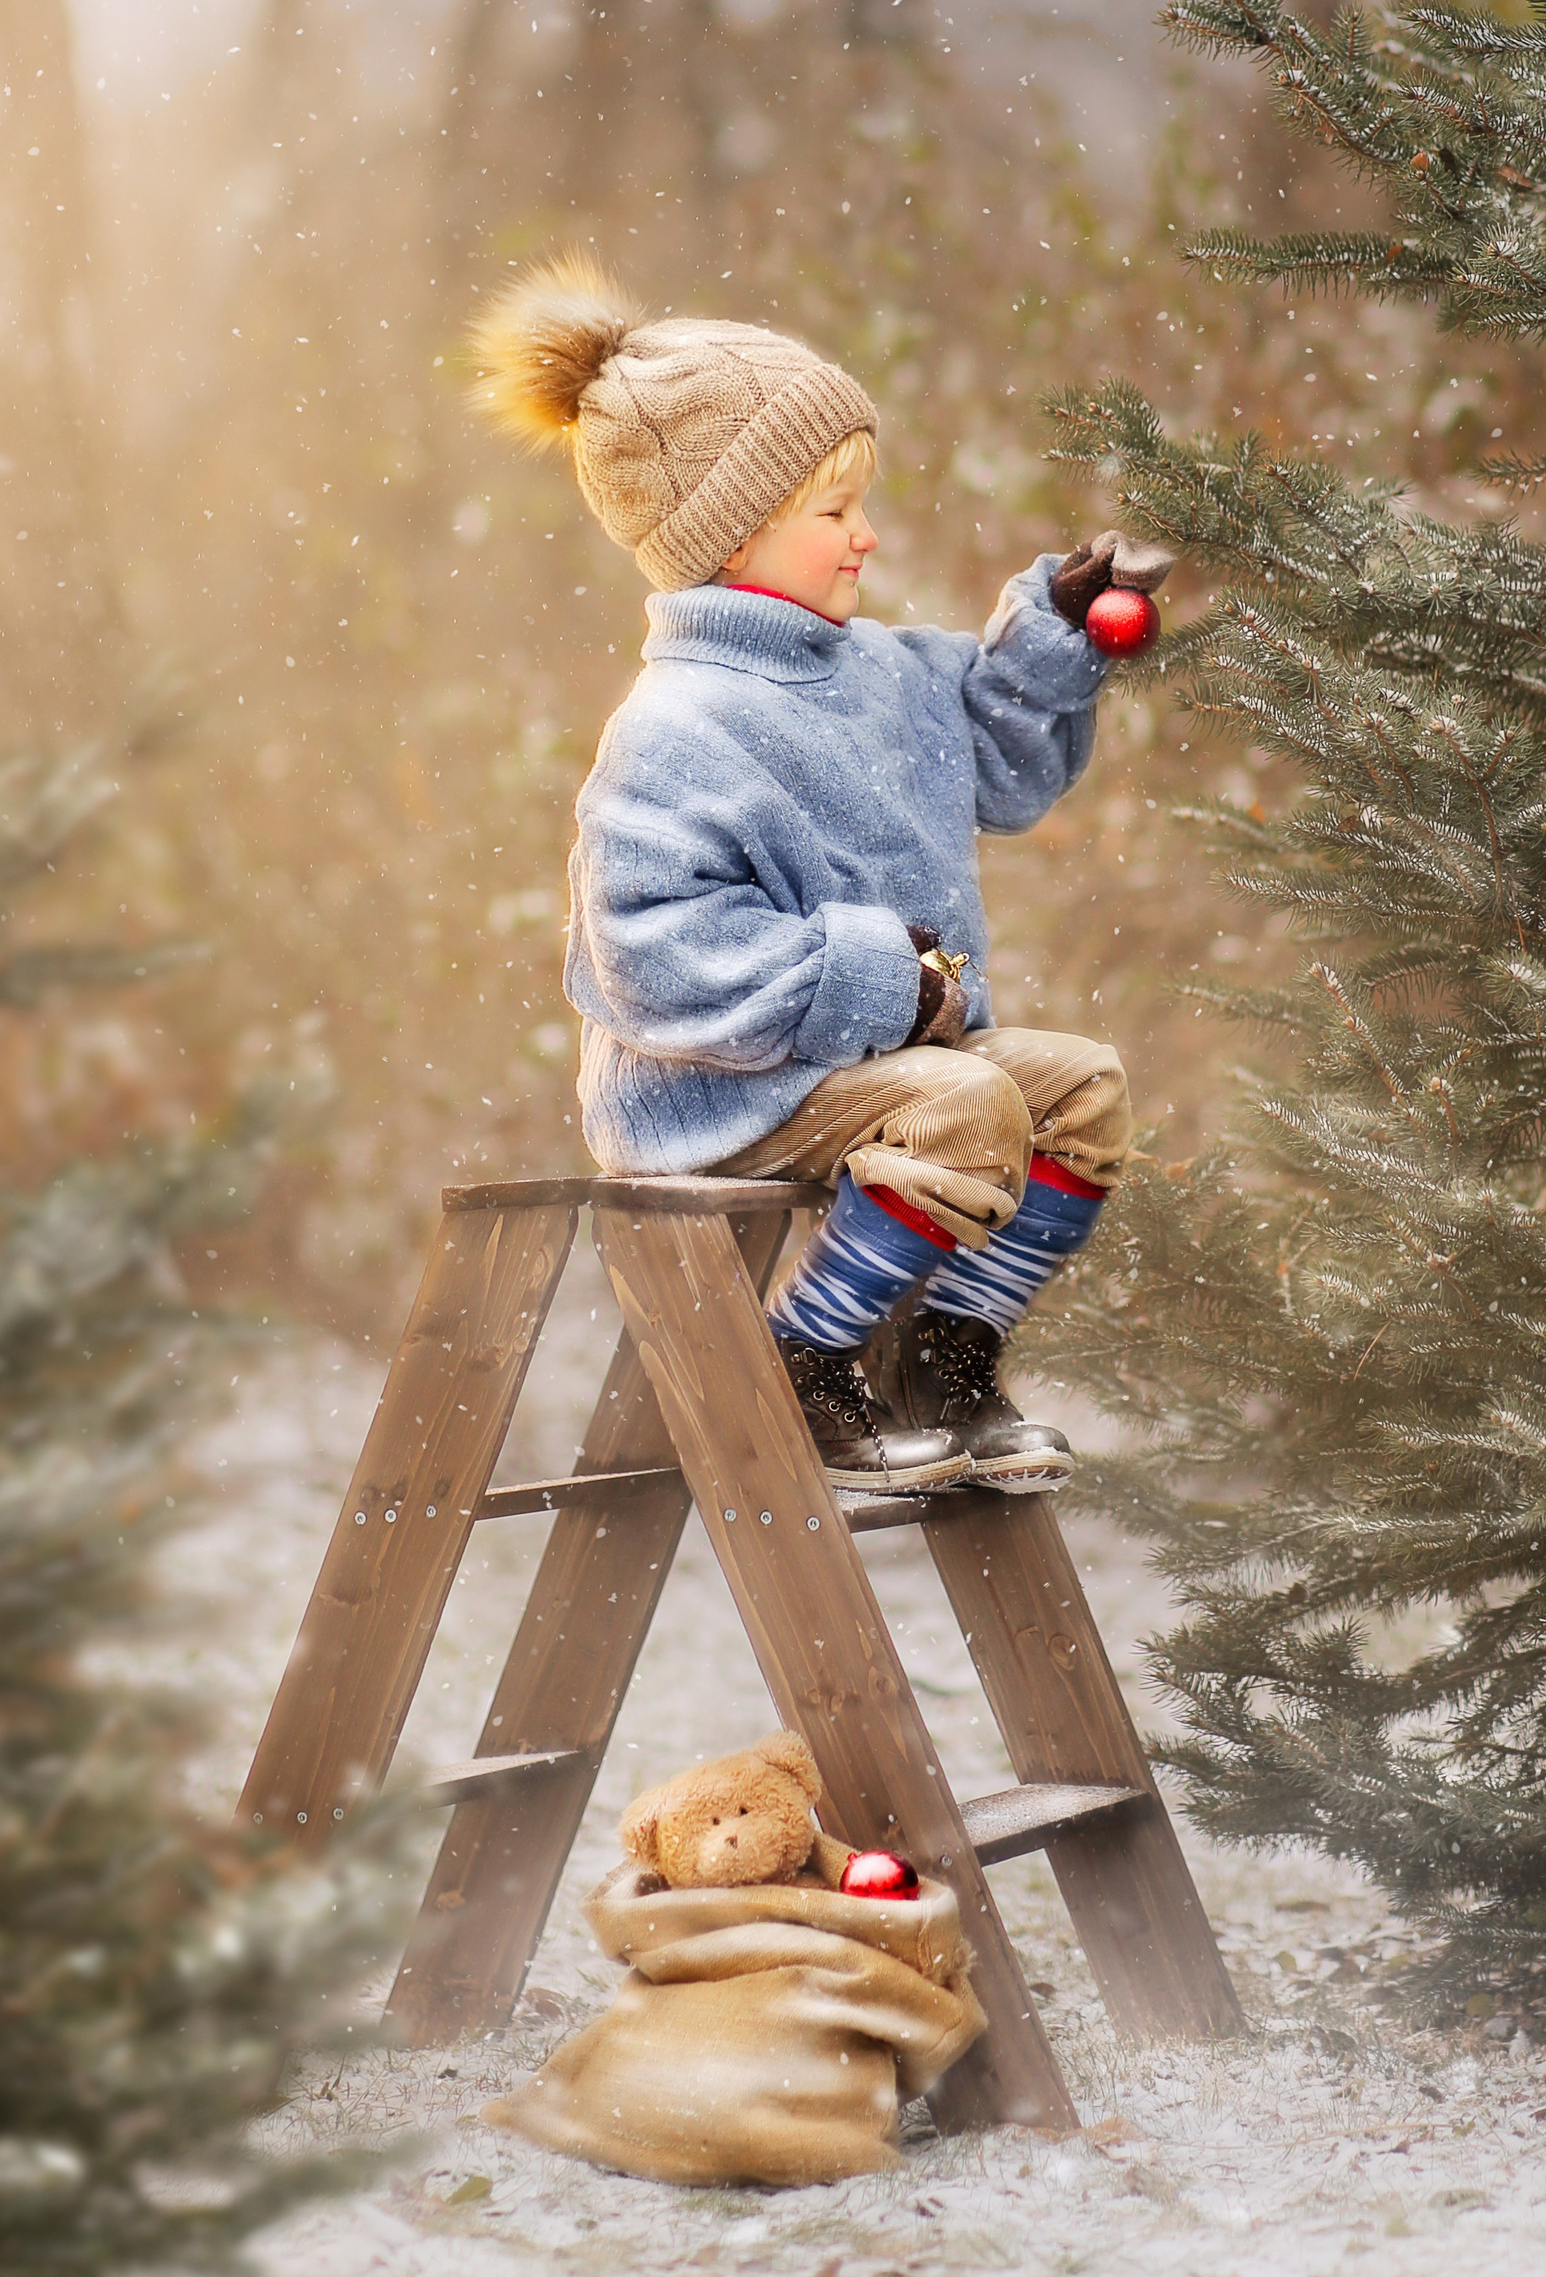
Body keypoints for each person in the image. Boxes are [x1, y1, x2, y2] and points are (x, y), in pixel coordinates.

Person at [470, 258, 1168, 1495]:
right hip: (720, 1092)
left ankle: (943, 1354)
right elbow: (645, 955)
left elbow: (1001, 762)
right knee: (968, 1107)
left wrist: (1054, 630)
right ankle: (794, 1368)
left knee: (1077, 1090)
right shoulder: (678, 725)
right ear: (732, 536)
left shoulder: (882, 670)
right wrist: (867, 979)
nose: (868, 534)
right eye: (833, 509)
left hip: (884, 1072)